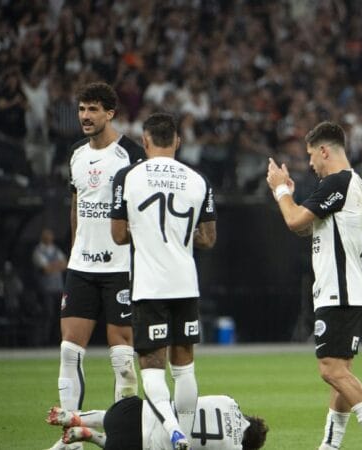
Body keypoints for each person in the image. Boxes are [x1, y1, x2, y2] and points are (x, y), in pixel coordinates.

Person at [265, 121, 362, 450]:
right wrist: (291, 198)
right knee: (340, 372)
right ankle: (330, 445)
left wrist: (280, 190)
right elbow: (302, 227)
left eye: (311, 155)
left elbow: (293, 219)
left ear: (325, 150)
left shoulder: (339, 182)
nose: (310, 163)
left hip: (339, 288)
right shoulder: (350, 185)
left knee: (331, 370)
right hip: (345, 287)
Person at [111, 112, 217, 450]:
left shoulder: (127, 176)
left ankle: (172, 429)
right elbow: (209, 238)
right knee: (184, 365)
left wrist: (144, 231)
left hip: (149, 285)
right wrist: (180, 236)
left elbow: (117, 235)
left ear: (144, 141)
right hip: (185, 283)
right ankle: (181, 431)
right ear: (177, 141)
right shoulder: (198, 180)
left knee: (151, 366)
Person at [55, 82, 145, 450]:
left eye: (93, 109)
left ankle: (123, 438)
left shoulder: (131, 154)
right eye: (81, 109)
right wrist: (76, 248)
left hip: (120, 267)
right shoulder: (75, 153)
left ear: (110, 113)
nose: (85, 117)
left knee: (122, 359)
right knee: (68, 350)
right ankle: (71, 438)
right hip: (81, 267)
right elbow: (77, 206)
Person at [46, 394, 268, 449]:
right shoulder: (234, 447)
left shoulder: (229, 401)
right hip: (129, 446)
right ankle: (92, 437)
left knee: (112, 416)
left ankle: (77, 417)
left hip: (127, 412)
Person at [32, 227, 67, 346]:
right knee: (48, 314)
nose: (49, 238)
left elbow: (65, 264)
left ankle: (57, 339)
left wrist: (52, 266)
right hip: (46, 290)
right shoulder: (38, 251)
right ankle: (43, 340)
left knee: (60, 315)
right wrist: (56, 265)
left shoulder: (56, 250)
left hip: (58, 288)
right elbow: (45, 269)